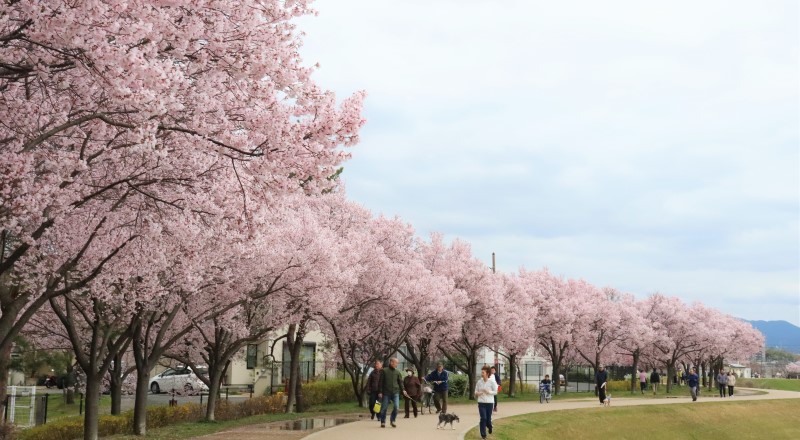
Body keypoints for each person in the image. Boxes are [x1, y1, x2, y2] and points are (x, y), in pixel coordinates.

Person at [378, 357, 408, 428]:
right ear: (391, 362)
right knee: (384, 408)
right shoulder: (384, 371)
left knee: (396, 407)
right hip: (386, 393)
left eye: (397, 363)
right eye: (396, 363)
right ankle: (383, 421)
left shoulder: (397, 372)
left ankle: (392, 420)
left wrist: (403, 390)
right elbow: (380, 382)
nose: (397, 364)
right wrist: (380, 392)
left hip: (395, 392)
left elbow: (400, 382)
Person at [475, 365, 498, 440]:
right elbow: (475, 391)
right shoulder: (479, 382)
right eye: (481, 372)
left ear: (487, 373)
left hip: (490, 403)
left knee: (488, 419)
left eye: (483, 372)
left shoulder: (492, 381)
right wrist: (477, 393)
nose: (481, 374)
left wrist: (489, 392)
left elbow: (496, 392)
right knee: (483, 418)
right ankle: (483, 435)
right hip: (481, 403)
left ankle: (490, 426)